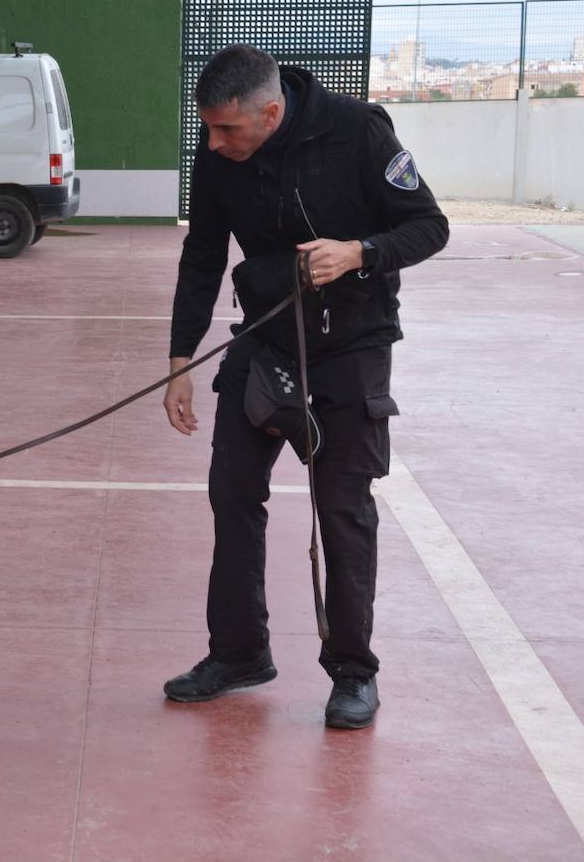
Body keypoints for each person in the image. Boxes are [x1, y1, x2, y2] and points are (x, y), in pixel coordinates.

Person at [161, 44, 449, 728]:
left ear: (270, 110)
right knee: (231, 490)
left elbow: (428, 226)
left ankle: (353, 671)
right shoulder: (218, 157)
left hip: (353, 345)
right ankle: (237, 653)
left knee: (342, 507)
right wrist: (178, 360)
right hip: (266, 340)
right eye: (207, 127)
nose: (213, 141)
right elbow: (202, 254)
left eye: (227, 128)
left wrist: (359, 252)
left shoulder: (356, 132)